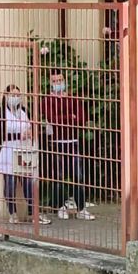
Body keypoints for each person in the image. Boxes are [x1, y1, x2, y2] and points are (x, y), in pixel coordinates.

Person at [40, 71, 95, 221]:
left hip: (73, 142)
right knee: (58, 177)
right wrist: (71, 117)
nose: (58, 83)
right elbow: (52, 119)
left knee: (78, 176)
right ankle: (60, 207)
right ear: (50, 83)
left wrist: (66, 119)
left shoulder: (73, 98)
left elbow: (82, 118)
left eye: (60, 80)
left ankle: (81, 209)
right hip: (56, 143)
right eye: (55, 81)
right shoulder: (47, 100)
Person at [0, 86, 50, 226]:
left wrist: (30, 133)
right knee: (10, 183)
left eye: (18, 95)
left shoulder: (23, 111)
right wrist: (19, 135)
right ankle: (12, 213)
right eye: (13, 95)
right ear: (6, 96)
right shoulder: (0, 114)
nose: (16, 97)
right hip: (8, 150)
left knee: (28, 182)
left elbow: (30, 126)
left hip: (24, 150)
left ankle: (33, 213)